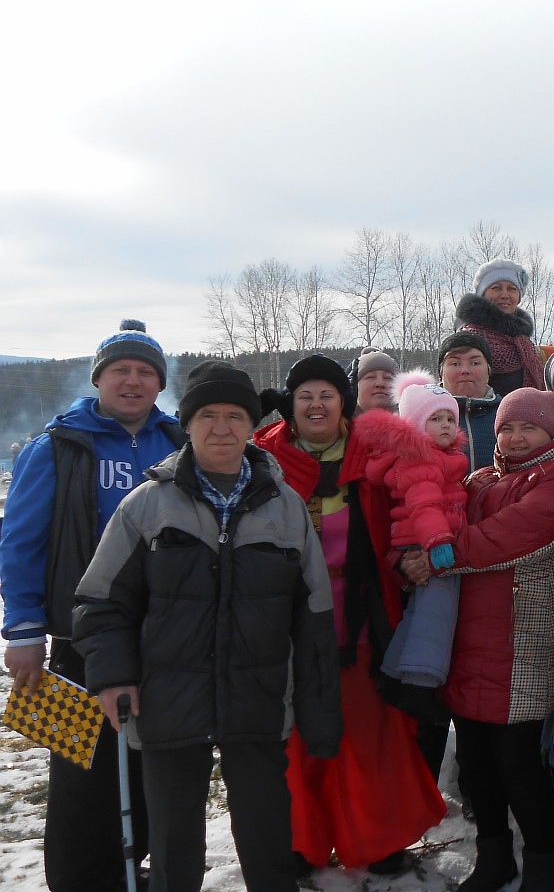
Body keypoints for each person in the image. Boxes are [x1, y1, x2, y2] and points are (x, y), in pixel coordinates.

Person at [72, 361, 342, 892]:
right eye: (209, 416)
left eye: (236, 416)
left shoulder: (286, 509)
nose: (222, 428)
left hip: (259, 699)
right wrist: (113, 676)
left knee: (268, 839)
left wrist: (320, 715)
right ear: (187, 424)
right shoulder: (146, 506)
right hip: (167, 698)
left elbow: (312, 619)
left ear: (251, 425)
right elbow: (101, 602)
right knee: (174, 848)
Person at [0, 318, 182, 892]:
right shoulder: (58, 445)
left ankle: (131, 866)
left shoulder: (180, 442)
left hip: (165, 634)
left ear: (159, 384)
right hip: (76, 636)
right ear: (99, 378)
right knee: (81, 770)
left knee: (154, 762)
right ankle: (82, 879)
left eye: (145, 372)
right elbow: (21, 541)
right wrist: (23, 632)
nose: (132, 382)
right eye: (121, 371)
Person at [255, 354, 446, 876]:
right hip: (289, 625)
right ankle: (301, 841)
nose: (316, 404)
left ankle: (377, 840)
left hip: (362, 618)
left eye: (327, 394)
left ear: (344, 402)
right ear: (291, 406)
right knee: (297, 738)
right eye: (305, 396)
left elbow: (415, 509)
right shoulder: (261, 462)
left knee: (367, 732)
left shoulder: (376, 455)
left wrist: (412, 554)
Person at [401, 388, 554, 892]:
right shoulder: (481, 478)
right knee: (476, 762)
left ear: (552, 431)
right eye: (506, 427)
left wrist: (436, 557)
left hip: (523, 636)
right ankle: (494, 856)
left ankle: (542, 863)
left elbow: (505, 537)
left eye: (529, 427)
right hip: (465, 636)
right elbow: (435, 515)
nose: (516, 436)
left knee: (517, 760)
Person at [354, 371, 470, 691]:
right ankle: (422, 671)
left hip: (425, 538)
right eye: (436, 419)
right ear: (417, 426)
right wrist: (438, 541)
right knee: (439, 603)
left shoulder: (440, 457)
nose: (446, 424)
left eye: (450, 418)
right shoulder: (422, 460)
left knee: (420, 607)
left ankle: (397, 664)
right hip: (428, 540)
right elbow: (425, 505)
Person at [455, 258, 545, 396]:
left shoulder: (523, 342)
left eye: (512, 289)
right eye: (496, 288)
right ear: (482, 294)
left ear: (519, 297)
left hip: (525, 416)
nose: (504, 295)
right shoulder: (469, 338)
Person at [439, 330, 502, 472]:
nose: (465, 370)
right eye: (455, 363)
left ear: (489, 370)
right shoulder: (422, 415)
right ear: (441, 372)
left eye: (475, 363)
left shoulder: (508, 413)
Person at [350, 346, 398, 414]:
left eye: (387, 378)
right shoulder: (335, 423)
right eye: (371, 377)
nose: (380, 384)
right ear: (355, 385)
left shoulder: (413, 422)